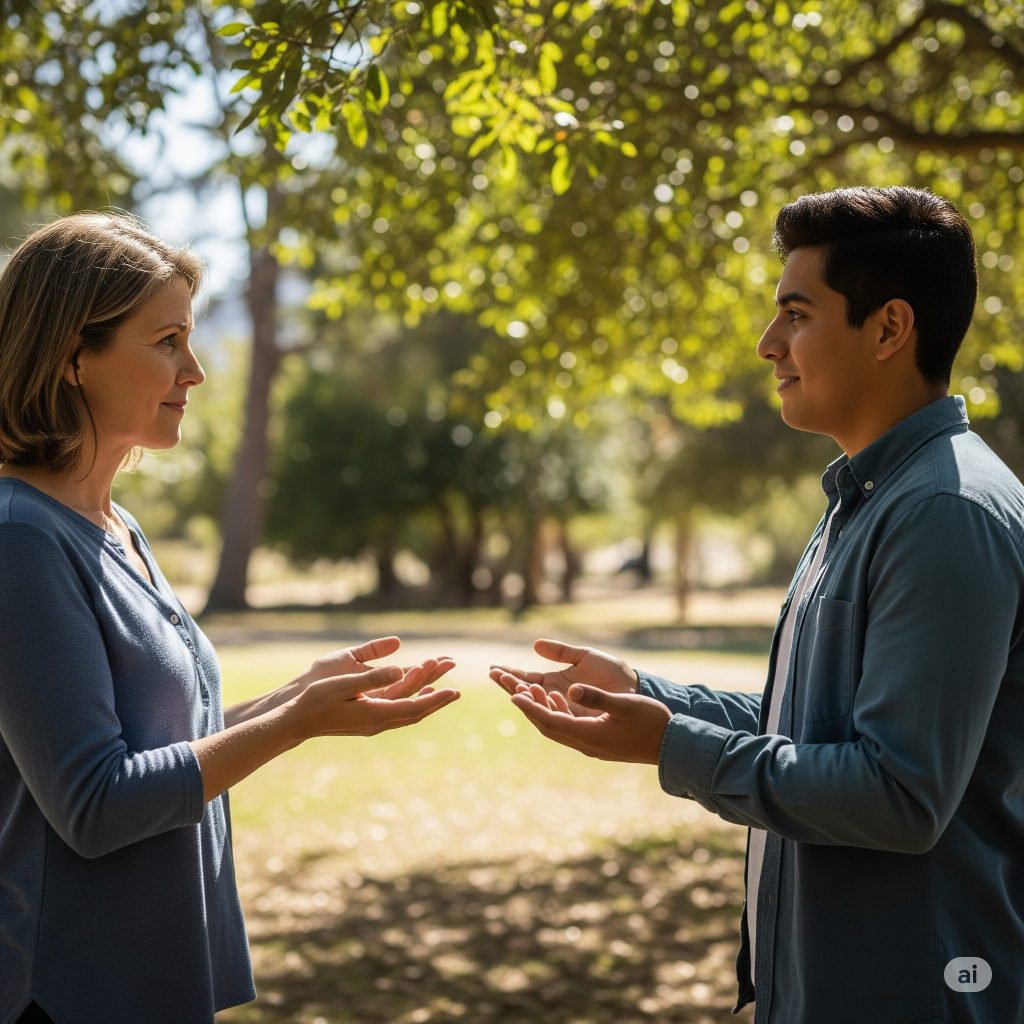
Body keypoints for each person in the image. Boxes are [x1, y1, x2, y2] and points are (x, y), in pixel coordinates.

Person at [492, 186, 1024, 1023]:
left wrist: (673, 748)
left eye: (798, 314)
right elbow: (812, 724)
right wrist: (649, 694)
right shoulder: (867, 499)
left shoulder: (943, 512)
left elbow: (899, 792)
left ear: (889, 328)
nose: (767, 343)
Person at [0, 211, 461, 1024]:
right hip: (68, 991)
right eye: (167, 340)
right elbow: (95, 805)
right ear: (74, 354)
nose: (196, 370)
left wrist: (297, 700)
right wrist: (293, 727)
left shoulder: (115, 524)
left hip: (153, 976)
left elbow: (155, 738)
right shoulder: (20, 540)